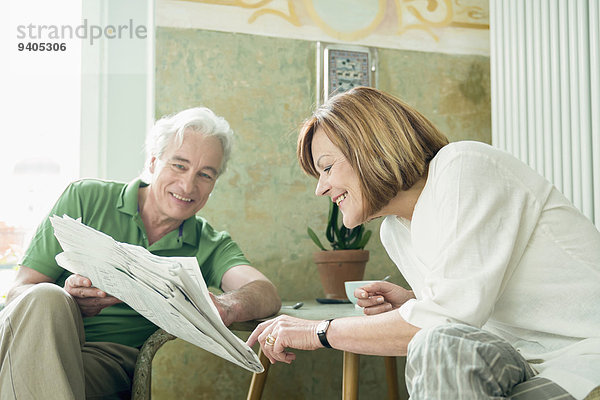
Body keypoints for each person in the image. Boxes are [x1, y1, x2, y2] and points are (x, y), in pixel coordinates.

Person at [247, 87, 600, 400]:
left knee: (438, 345)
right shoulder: (395, 232)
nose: (320, 188)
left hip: (585, 357)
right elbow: (459, 311)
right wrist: (417, 303)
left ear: (371, 148)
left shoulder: (463, 167)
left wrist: (317, 332)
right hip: (520, 361)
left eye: (326, 167)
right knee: (440, 345)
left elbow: (444, 320)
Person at [0, 107, 281, 399]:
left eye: (205, 175)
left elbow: (264, 291)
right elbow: (19, 293)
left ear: (213, 184)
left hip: (105, 359)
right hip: (37, 336)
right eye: (179, 166)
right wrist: (70, 301)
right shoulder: (84, 198)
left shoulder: (208, 243)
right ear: (153, 161)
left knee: (26, 374)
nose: (188, 185)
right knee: (47, 296)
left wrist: (226, 306)